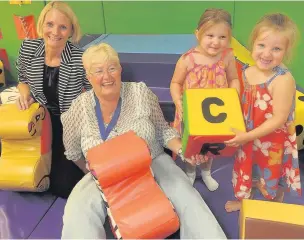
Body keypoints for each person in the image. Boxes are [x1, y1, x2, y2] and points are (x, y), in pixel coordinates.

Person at [60, 43, 227, 239]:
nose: (107, 76)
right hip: (106, 173)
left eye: (112, 68)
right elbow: (73, 153)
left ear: (120, 69)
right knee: (77, 210)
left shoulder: (140, 93)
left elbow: (163, 131)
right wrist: (96, 175)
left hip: (152, 161)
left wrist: (183, 151)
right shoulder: (78, 108)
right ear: (88, 76)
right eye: (98, 71)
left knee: (188, 198)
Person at [224, 13, 302, 212]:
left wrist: (247, 136)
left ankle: (275, 199)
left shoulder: (282, 80)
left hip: (270, 141)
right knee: (245, 167)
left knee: (270, 173)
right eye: (262, 46)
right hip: (247, 135)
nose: (267, 54)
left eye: (276, 49)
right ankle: (244, 200)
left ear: (286, 51)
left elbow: (279, 119)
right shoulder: (247, 71)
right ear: (253, 44)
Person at [15, 1, 91, 199]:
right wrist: (24, 92)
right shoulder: (29, 48)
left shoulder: (78, 57)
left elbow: (93, 92)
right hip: (40, 120)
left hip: (67, 123)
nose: (55, 32)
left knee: (64, 186)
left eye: (63, 27)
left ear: (71, 31)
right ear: (42, 25)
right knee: (22, 178)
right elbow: (22, 80)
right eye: (50, 24)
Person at [170, 8, 240, 191]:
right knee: (193, 148)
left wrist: (233, 97)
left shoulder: (227, 56)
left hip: (216, 114)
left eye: (222, 37)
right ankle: (191, 172)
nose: (216, 42)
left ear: (229, 37)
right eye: (210, 35)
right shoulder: (188, 59)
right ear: (198, 34)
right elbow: (175, 83)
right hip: (193, 114)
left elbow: (233, 79)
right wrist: (178, 101)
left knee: (210, 146)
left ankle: (207, 173)